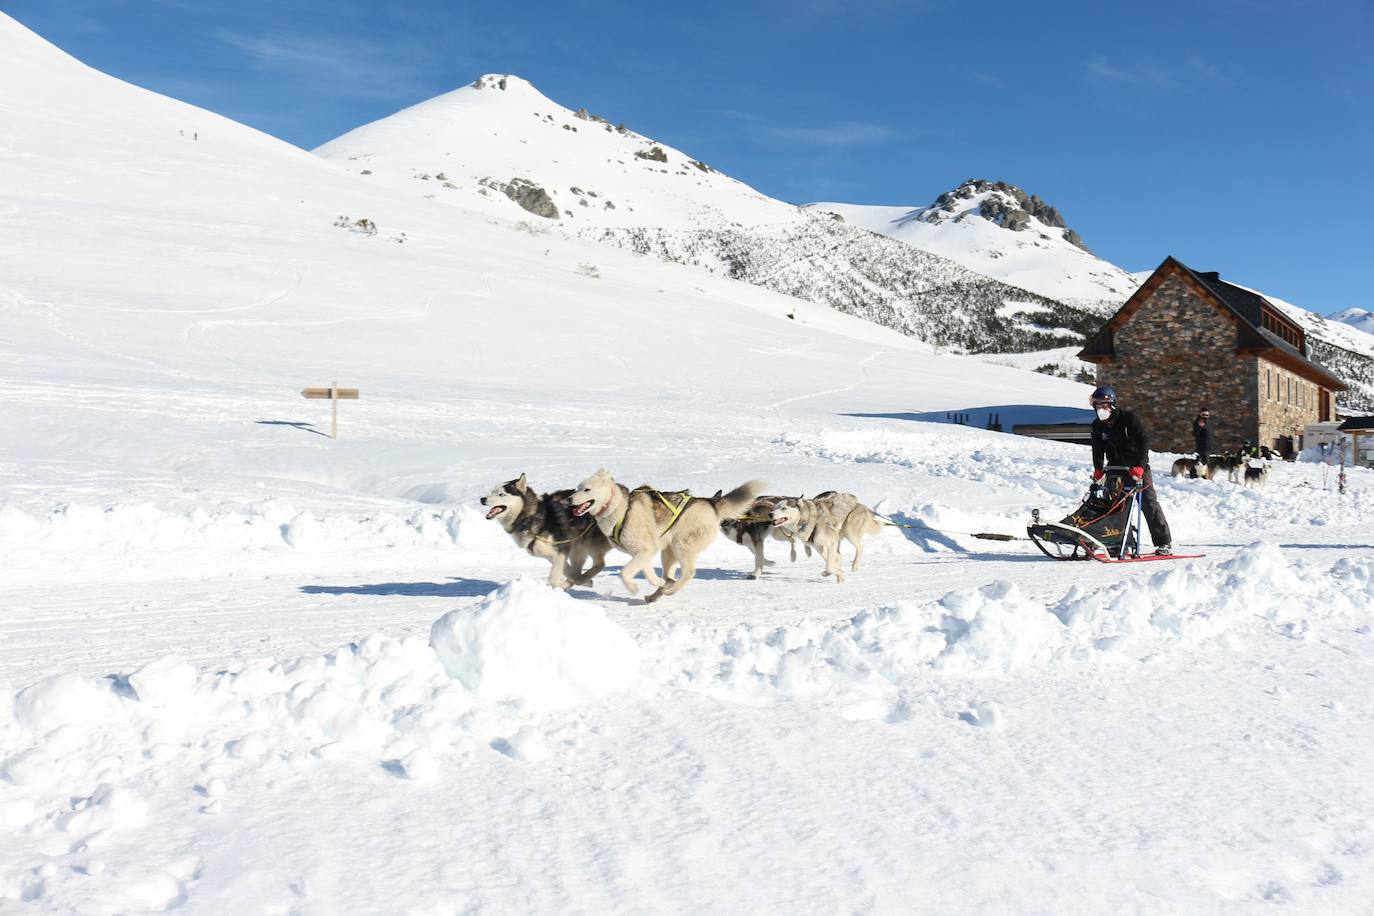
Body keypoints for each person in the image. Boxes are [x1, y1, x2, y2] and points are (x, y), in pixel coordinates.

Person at [1089, 385, 1173, 555]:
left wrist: (1140, 467)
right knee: (1114, 506)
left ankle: (1163, 543)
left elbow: (1143, 443)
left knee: (1149, 504)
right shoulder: (1097, 426)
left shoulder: (1129, 419)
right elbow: (1097, 449)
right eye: (1098, 406)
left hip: (1136, 467)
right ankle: (1120, 542)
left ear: (1112, 405)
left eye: (1104, 406)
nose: (1101, 409)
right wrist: (1098, 469)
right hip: (1114, 469)